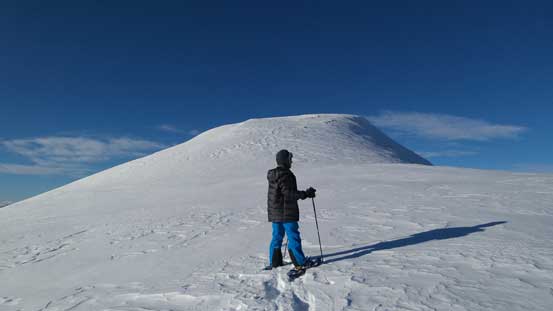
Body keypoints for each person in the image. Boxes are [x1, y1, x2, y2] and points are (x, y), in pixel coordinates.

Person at [267, 149, 316, 270]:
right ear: (285, 161)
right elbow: (288, 193)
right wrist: (306, 194)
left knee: (277, 236)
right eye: (290, 159)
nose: (291, 162)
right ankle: (299, 262)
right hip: (287, 212)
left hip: (275, 212)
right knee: (293, 236)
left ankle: (275, 262)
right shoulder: (286, 174)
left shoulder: (273, 175)